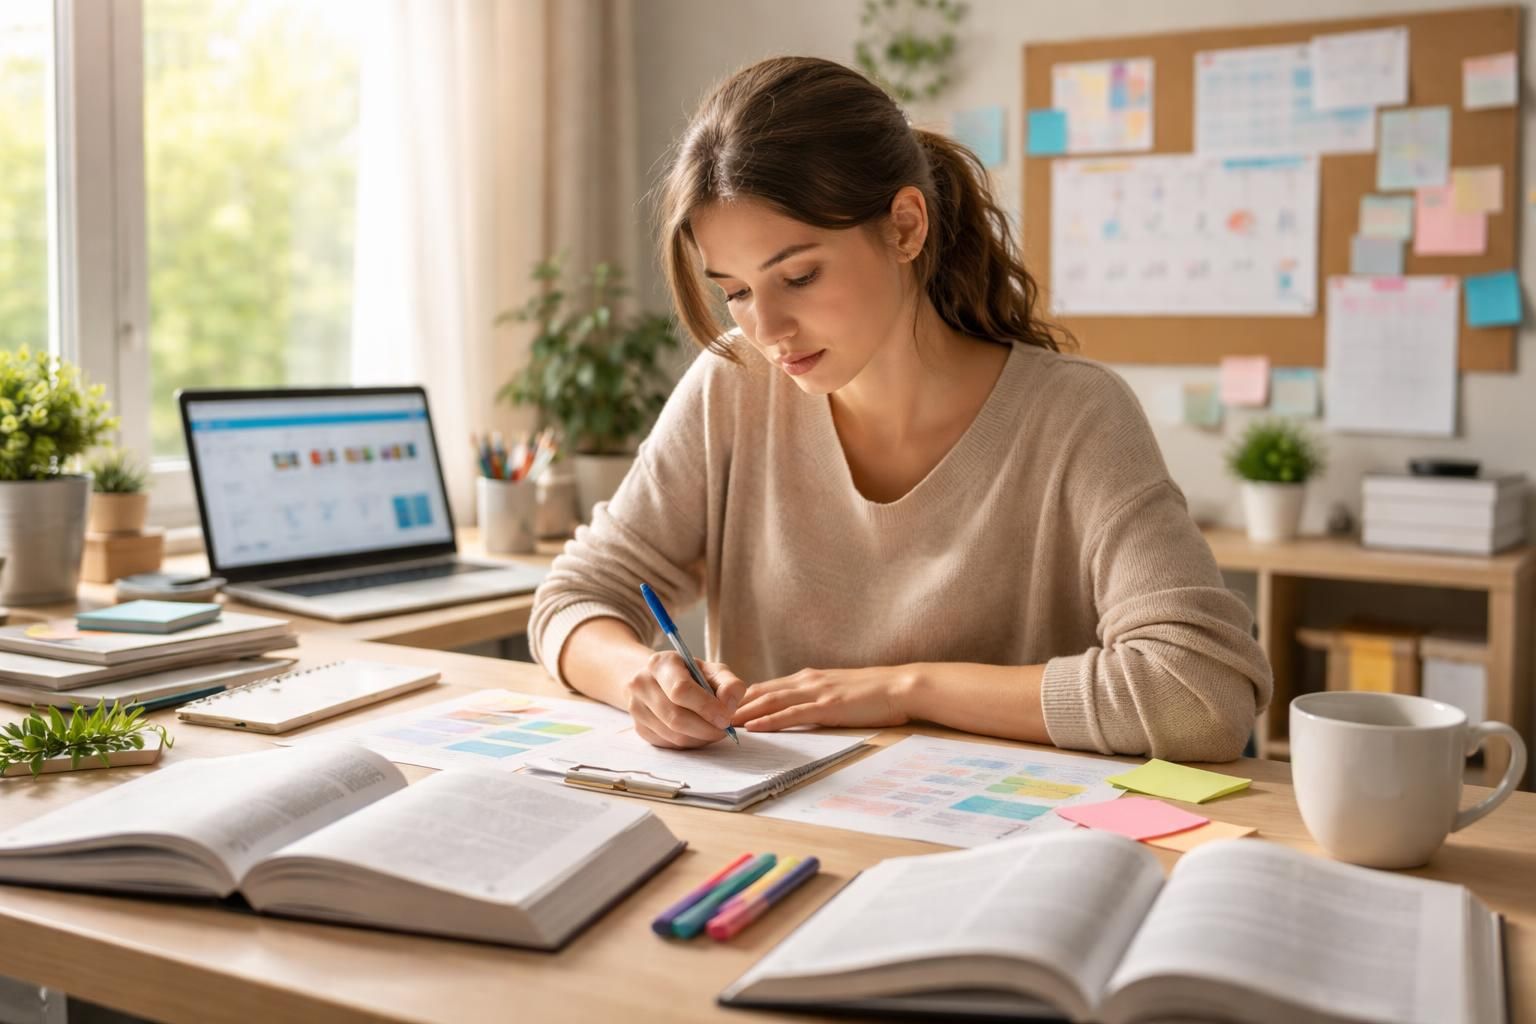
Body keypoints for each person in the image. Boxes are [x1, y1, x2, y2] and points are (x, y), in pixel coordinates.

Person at [528, 56, 1271, 762]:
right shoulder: (732, 385)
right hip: (781, 829)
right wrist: (641, 678)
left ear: (906, 227)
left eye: (799, 275)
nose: (767, 328)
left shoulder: (1076, 415)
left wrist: (904, 690)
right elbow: (576, 596)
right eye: (738, 291)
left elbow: (1201, 693)